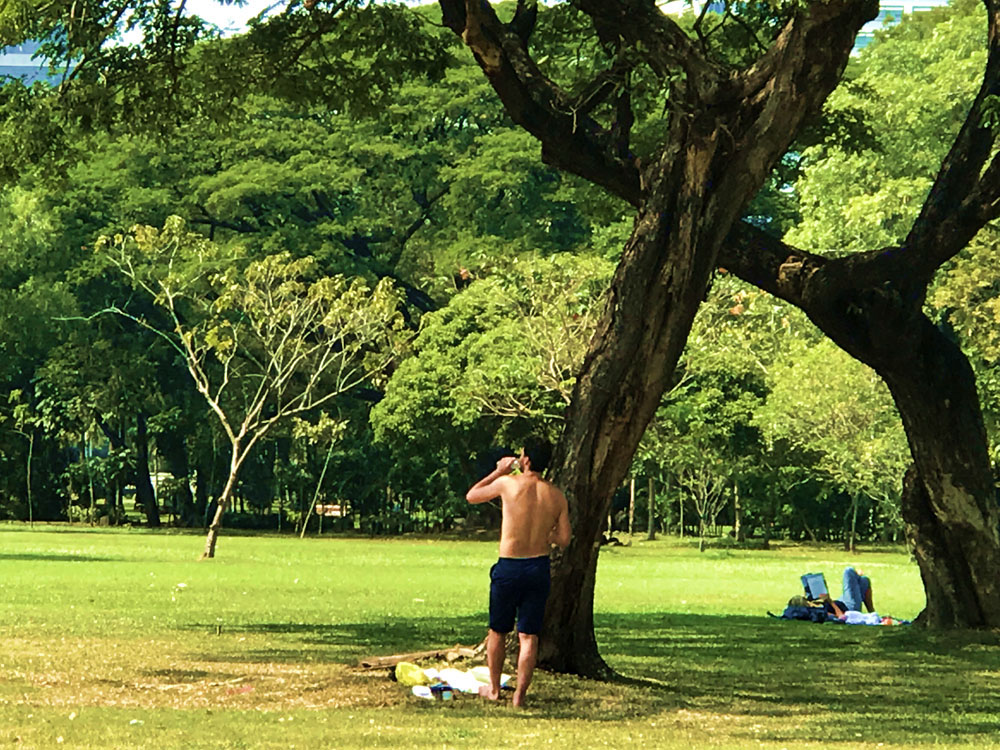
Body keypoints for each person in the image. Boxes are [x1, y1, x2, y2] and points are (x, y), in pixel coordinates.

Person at [465, 438, 571, 708]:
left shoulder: (508, 484)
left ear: (526, 460)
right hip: (538, 567)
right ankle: (519, 696)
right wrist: (546, 534)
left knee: (498, 631)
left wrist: (498, 470)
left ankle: (494, 689)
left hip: (510, 566)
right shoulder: (556, 495)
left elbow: (472, 495)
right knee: (529, 635)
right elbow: (564, 539)